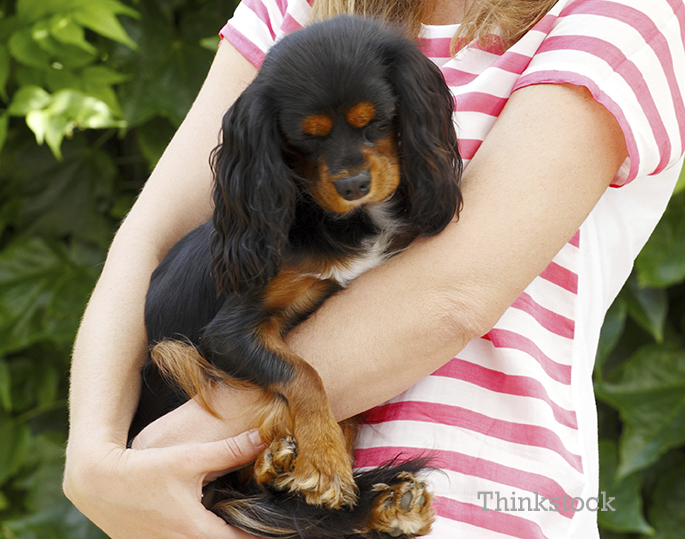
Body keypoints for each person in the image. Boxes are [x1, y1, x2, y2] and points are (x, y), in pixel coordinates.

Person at [62, 0, 685, 537]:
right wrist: (97, 461)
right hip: (220, 511)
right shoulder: (295, 10)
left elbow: (454, 294)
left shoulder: (620, 16)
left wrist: (174, 448)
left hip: (471, 505)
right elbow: (152, 240)